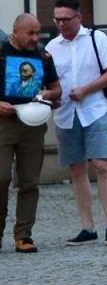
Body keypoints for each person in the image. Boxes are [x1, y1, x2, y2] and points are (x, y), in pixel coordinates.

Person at [47, 0, 107, 246]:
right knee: (76, 169)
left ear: (78, 17)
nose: (61, 24)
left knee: (101, 164)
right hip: (65, 114)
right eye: (57, 19)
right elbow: (49, 82)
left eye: (66, 19)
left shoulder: (96, 38)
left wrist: (86, 90)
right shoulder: (52, 47)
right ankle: (87, 227)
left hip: (94, 109)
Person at [1, 14, 61, 253]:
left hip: (33, 124)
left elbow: (57, 89)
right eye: (30, 33)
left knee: (30, 181)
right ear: (15, 32)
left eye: (37, 33)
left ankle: (24, 234)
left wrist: (48, 94)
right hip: (4, 123)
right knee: (1, 177)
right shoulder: (2, 53)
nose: (35, 38)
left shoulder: (43, 56)